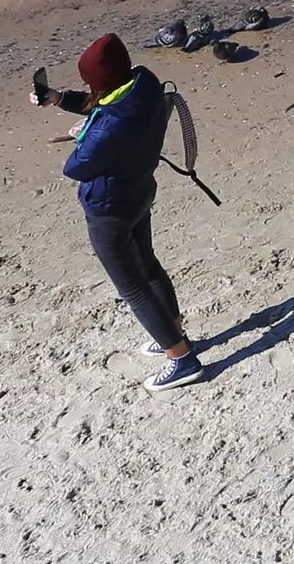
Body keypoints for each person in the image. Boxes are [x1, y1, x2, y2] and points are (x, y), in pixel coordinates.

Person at [50, 33, 207, 390]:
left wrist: (82, 136)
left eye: (89, 83)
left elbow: (75, 167)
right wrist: (59, 99)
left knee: (133, 288)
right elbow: (101, 105)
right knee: (149, 264)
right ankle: (174, 330)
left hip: (109, 209)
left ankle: (182, 359)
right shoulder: (144, 84)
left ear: (101, 83)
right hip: (140, 191)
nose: (88, 88)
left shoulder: (110, 126)